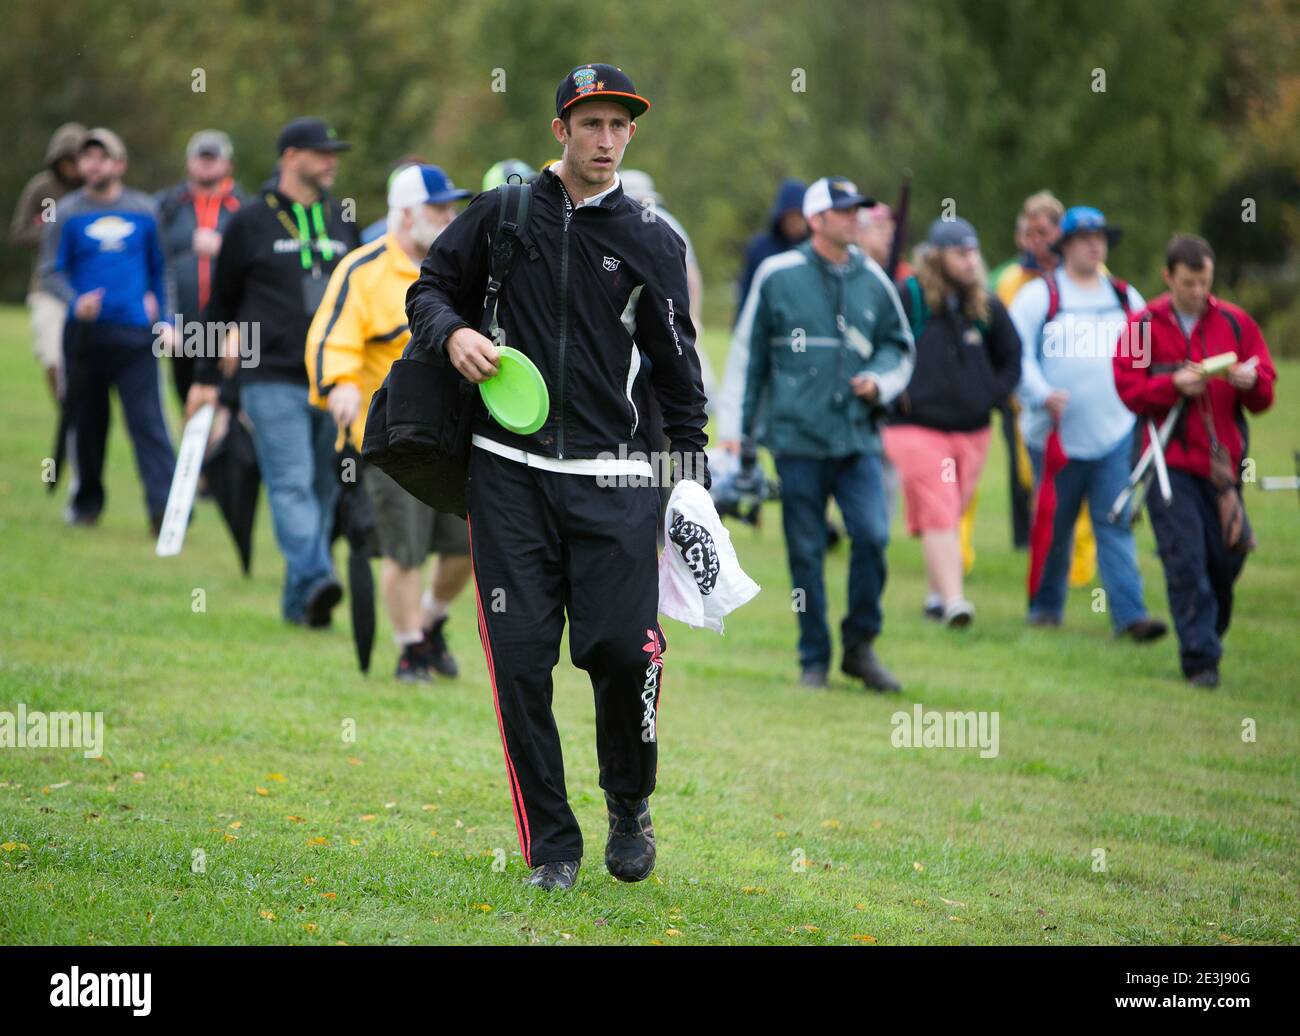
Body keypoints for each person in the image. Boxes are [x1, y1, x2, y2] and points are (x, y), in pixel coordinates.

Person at [406, 64, 710, 891]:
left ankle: (628, 801)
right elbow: (428, 291)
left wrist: (690, 485)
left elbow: (680, 379)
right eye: (591, 126)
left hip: (614, 479)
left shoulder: (652, 237)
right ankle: (552, 846)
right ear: (561, 132)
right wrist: (453, 336)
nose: (606, 141)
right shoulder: (501, 213)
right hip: (508, 476)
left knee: (624, 650)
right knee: (520, 659)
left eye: (620, 127)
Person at [738, 176, 915, 690]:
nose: (855, 218)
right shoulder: (777, 274)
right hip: (796, 440)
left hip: (858, 437)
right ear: (816, 220)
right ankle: (813, 657)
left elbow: (898, 346)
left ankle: (859, 645)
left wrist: (879, 381)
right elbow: (750, 360)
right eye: (843, 211)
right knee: (806, 552)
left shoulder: (875, 279)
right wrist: (740, 434)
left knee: (874, 536)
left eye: (858, 209)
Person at [187, 117, 359, 627]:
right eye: (320, 152)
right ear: (289, 157)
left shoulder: (340, 217)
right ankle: (318, 576)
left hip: (332, 377)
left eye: (334, 152)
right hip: (267, 373)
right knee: (291, 483)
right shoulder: (249, 221)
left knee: (326, 488)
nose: (331, 161)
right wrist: (205, 378)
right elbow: (218, 304)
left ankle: (300, 599)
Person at [307, 164, 473, 681]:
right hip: (391, 439)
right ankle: (410, 651)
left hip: (454, 435)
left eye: (452, 207)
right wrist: (341, 385)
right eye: (438, 209)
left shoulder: (462, 268)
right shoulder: (363, 270)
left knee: (468, 545)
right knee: (403, 551)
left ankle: (429, 623)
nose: (450, 218)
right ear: (404, 214)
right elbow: (330, 339)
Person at [1113, 234, 1276, 688]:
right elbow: (1129, 390)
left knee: (1226, 560)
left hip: (1223, 466)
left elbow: (1265, 392)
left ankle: (1207, 632)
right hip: (1169, 461)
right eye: (1188, 283)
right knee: (1186, 559)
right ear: (1169, 278)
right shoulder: (1144, 325)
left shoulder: (1236, 324)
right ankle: (1200, 659)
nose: (1198, 292)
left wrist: (1251, 381)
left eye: (1205, 282)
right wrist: (1173, 386)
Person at [1010, 205, 1167, 641]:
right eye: (1086, 238)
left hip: (1114, 433)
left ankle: (1130, 616)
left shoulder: (1124, 297)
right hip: (1054, 439)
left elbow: (1141, 359)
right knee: (1055, 525)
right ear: (1066, 246)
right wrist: (1041, 394)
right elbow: (1016, 356)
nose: (1096, 244)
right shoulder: (1039, 296)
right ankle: (1045, 608)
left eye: (1101, 237)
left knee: (1113, 522)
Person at [883, 218, 1020, 627]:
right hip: (916, 426)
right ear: (937, 256)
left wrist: (990, 396)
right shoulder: (909, 298)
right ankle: (955, 601)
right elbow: (881, 344)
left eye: (973, 251)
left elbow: (1011, 357)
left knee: (951, 510)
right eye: (960, 252)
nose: (970, 260)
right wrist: (897, 392)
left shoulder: (985, 306)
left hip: (972, 428)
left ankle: (934, 594)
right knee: (940, 509)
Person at [37, 128, 176, 531]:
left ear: (119, 164)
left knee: (148, 423)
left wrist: (167, 321)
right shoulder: (66, 212)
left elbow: (159, 270)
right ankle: (87, 504)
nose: (92, 165)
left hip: (136, 335)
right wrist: (74, 300)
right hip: (85, 337)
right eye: (86, 158)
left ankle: (163, 509)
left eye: (101, 158)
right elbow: (50, 271)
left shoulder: (145, 210)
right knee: (88, 424)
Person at [155, 130, 246, 409]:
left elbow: (258, 270)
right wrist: (165, 321)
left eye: (213, 158)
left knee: (234, 407)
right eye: (201, 158)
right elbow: (156, 265)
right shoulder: (165, 206)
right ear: (188, 163)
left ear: (227, 164)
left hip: (233, 330)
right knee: (190, 402)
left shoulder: (246, 208)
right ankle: (197, 453)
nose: (206, 164)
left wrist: (224, 247)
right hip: (182, 327)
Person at [10, 122, 84, 402]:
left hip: (84, 286)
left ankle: (80, 413)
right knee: (52, 357)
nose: (71, 168)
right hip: (47, 286)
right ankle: (65, 408)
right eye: (66, 161)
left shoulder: (90, 192)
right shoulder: (41, 188)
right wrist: (49, 233)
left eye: (75, 160)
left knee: (84, 361)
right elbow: (18, 232)